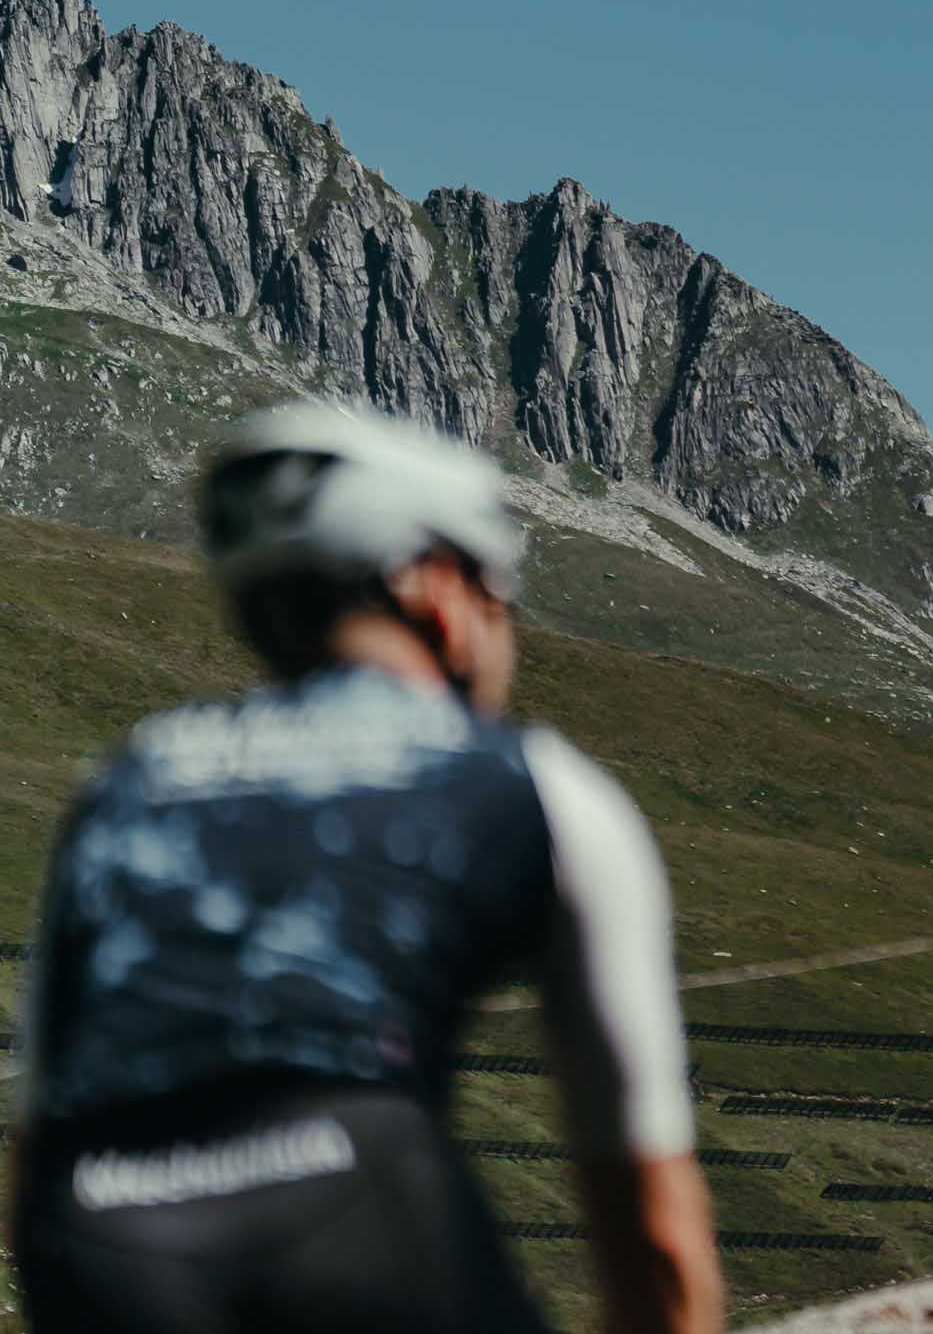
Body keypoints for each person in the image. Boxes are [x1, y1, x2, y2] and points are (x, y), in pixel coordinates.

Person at [10, 402, 721, 1334]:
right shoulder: (535, 782)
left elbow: (34, 1131)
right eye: (498, 588)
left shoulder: (123, 780)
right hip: (348, 1192)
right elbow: (651, 1213)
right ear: (432, 585)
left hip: (92, 1223)